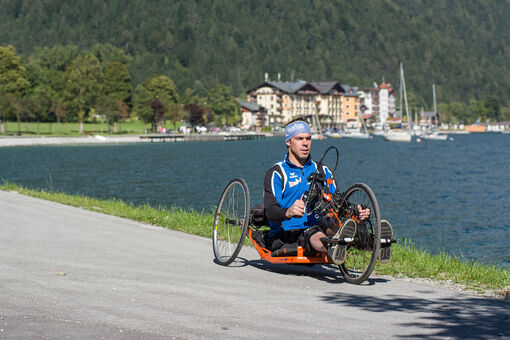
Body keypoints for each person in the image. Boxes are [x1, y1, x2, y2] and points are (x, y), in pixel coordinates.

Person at [263, 118, 392, 264]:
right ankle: (333, 246)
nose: (305, 143)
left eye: (308, 139)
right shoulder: (276, 173)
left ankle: (376, 244)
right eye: (299, 139)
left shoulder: (322, 170)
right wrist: (288, 211)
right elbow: (270, 211)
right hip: (288, 230)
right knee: (313, 232)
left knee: (344, 224)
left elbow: (337, 202)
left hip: (320, 223)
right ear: (288, 142)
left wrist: (357, 210)